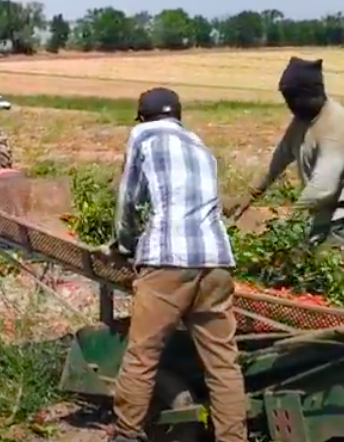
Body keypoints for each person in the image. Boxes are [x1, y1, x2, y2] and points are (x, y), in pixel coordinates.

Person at [108, 87, 246, 442]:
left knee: (142, 354)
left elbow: (129, 197)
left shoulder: (143, 135)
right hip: (215, 261)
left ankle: (126, 434)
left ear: (143, 116)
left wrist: (125, 243)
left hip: (168, 260)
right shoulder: (200, 145)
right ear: (178, 115)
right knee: (223, 363)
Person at [228, 57, 344, 254]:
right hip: (321, 216)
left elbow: (324, 187)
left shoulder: (337, 124)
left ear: (310, 94)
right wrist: (249, 196)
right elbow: (277, 162)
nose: (289, 105)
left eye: (292, 98)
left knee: (328, 272)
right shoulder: (301, 122)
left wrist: (289, 222)